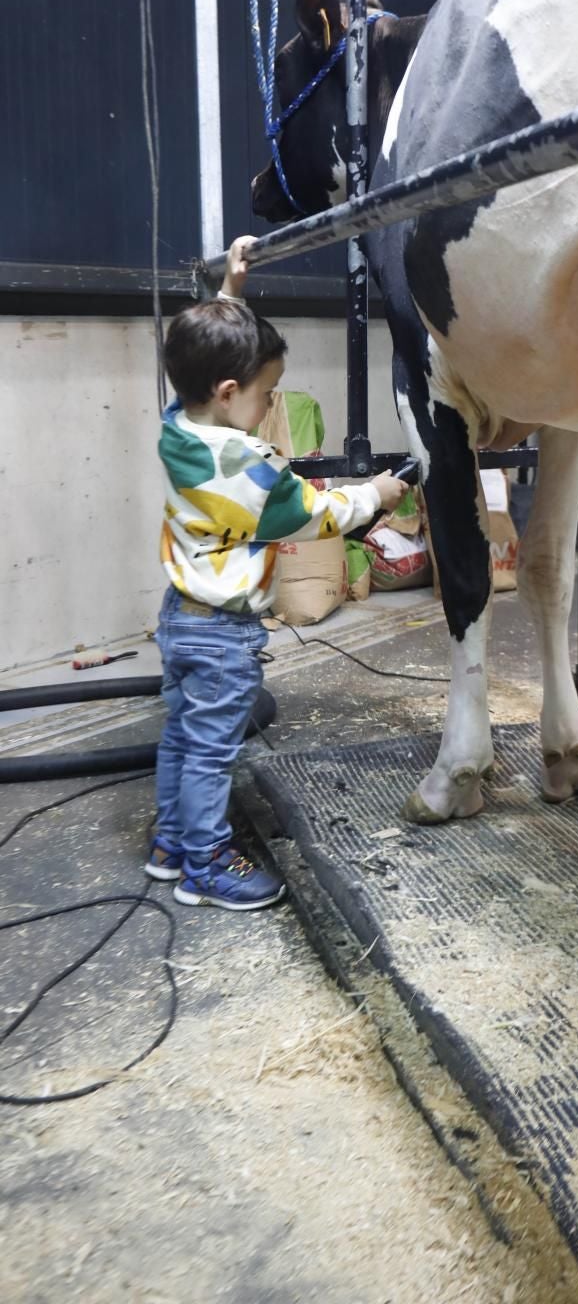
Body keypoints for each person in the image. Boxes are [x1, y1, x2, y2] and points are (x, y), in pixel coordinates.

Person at [146, 236, 407, 910]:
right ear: (230, 392)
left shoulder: (179, 425)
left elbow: (205, 356)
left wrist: (231, 293)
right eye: (266, 395)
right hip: (223, 636)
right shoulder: (247, 469)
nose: (269, 408)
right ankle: (205, 864)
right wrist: (374, 495)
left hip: (181, 617)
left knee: (184, 736)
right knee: (211, 751)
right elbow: (311, 514)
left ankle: (172, 845)